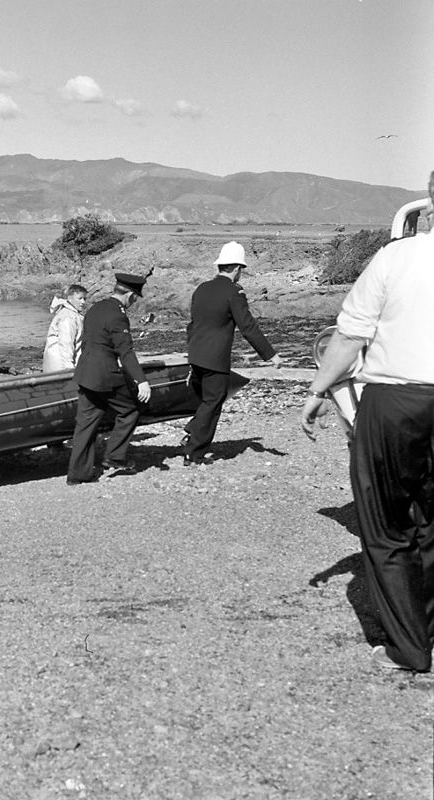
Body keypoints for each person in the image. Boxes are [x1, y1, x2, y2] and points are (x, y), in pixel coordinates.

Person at [302, 172, 434, 672]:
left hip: (396, 399)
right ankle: (427, 627)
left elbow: (351, 334)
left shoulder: (395, 258)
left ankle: (408, 648)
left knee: (384, 525)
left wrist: (318, 390)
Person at [183, 241, 282, 465]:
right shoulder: (234, 292)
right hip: (215, 358)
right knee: (213, 402)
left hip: (196, 354)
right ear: (237, 268)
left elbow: (192, 324)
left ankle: (192, 431)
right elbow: (248, 326)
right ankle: (194, 451)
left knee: (206, 401)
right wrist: (270, 354)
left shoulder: (201, 288)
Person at [66, 273, 152, 485]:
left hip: (85, 372)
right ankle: (114, 456)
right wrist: (141, 381)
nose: (134, 303)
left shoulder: (95, 307)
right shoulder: (118, 316)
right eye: (135, 298)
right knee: (131, 409)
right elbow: (126, 351)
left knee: (86, 424)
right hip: (105, 374)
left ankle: (77, 475)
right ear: (130, 295)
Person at [42, 284, 88, 372]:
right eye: (80, 298)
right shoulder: (68, 317)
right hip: (60, 366)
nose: (83, 302)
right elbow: (66, 343)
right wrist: (69, 367)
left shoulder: (69, 314)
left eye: (84, 299)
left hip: (55, 365)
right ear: (70, 298)